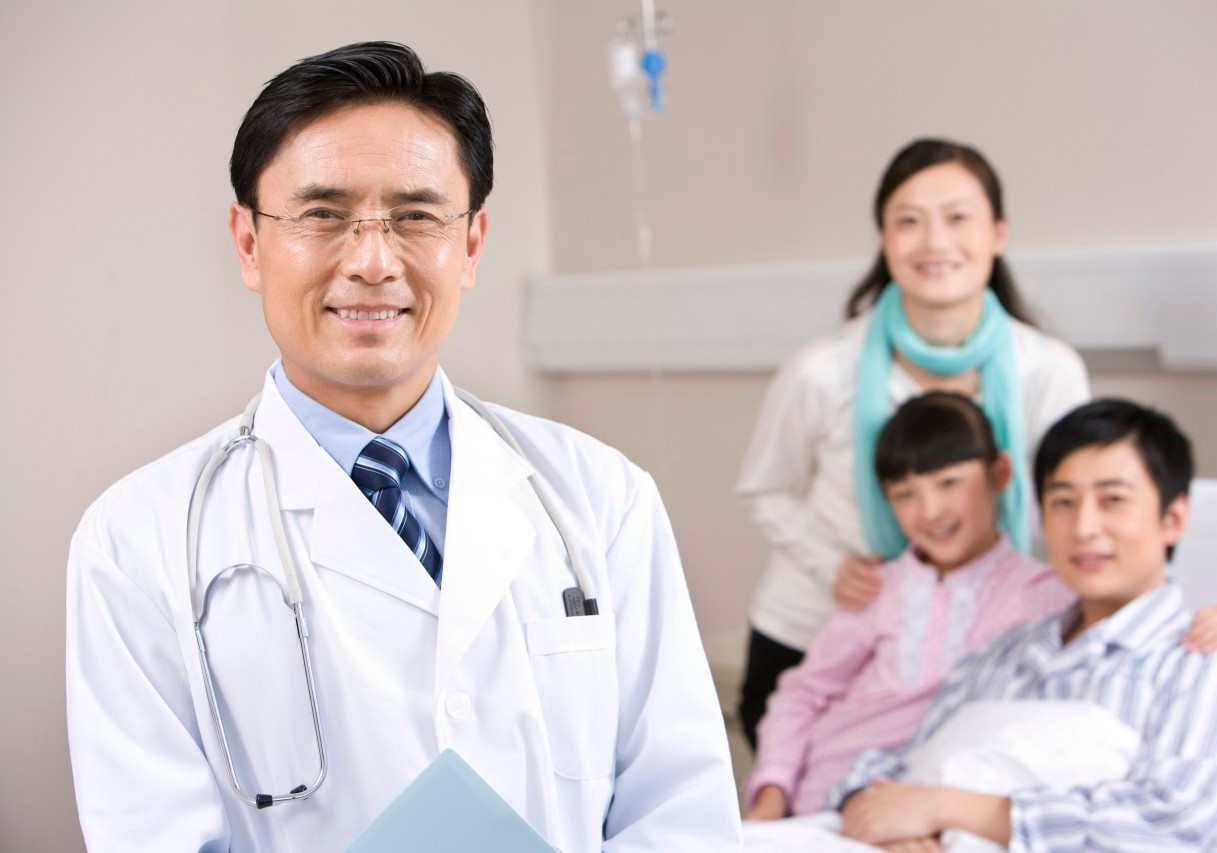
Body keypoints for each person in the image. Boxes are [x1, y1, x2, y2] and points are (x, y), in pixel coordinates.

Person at [65, 42, 740, 853]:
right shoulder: (137, 540)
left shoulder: (600, 496)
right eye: (323, 215)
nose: (373, 260)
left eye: (416, 217)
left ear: (473, 243)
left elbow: (681, 810)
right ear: (248, 242)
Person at [742, 393, 1217, 821]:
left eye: (1112, 500)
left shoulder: (1210, 656)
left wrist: (955, 811)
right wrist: (842, 801)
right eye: (1063, 502)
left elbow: (1176, 815)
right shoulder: (1005, 650)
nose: (1084, 528)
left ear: (1173, 519)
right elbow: (873, 741)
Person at [736, 138, 1091, 749]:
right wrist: (833, 568)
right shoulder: (823, 369)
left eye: (958, 217)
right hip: (818, 629)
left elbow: (1075, 505)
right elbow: (764, 487)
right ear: (883, 238)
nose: (935, 242)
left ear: (998, 232)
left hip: (975, 639)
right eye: (908, 221)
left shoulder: (1048, 370)